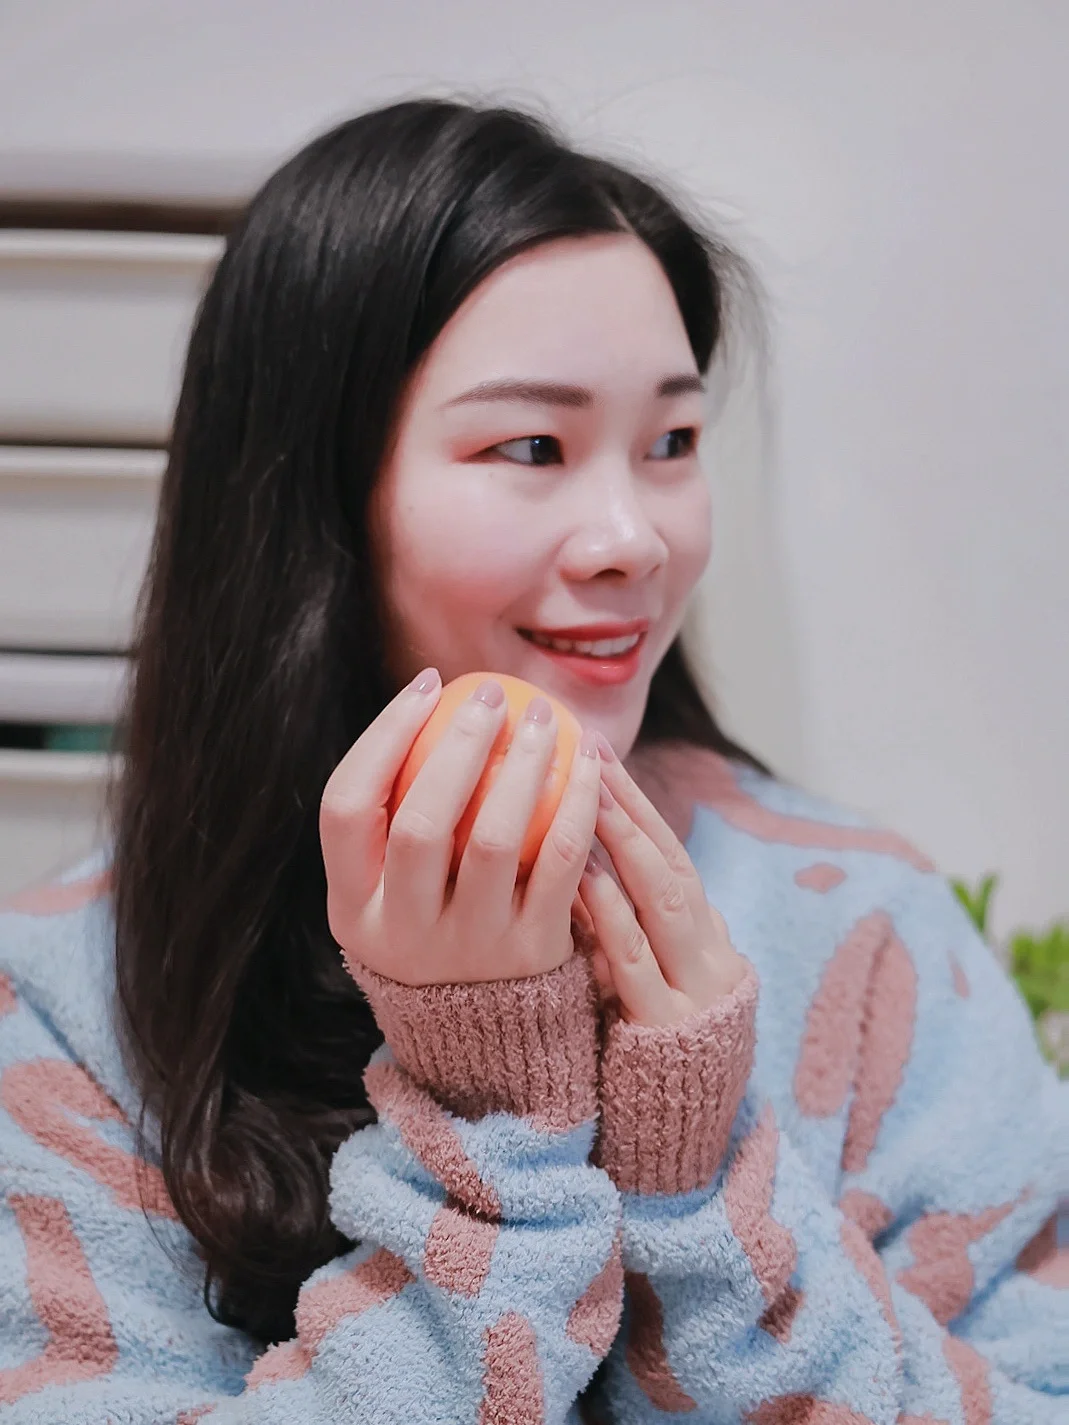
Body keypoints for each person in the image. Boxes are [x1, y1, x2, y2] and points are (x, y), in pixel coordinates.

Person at [0, 96, 1065, 1425]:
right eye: (531, 447)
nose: (633, 538)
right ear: (316, 496)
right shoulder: (68, 1003)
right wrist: (491, 1133)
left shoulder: (863, 931)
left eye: (672, 443)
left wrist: (702, 1184)